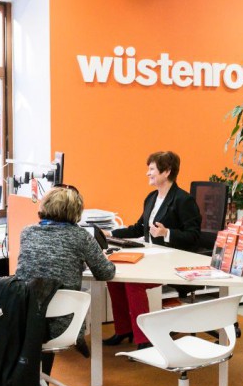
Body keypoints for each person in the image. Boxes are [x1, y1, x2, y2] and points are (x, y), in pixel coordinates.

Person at [104, 151, 202, 349]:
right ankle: (124, 329)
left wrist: (167, 233)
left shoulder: (183, 200)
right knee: (114, 278)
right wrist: (110, 233)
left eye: (151, 169)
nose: (147, 173)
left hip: (173, 261)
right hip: (151, 256)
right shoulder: (151, 198)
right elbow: (138, 228)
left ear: (166, 172)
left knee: (133, 283)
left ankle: (144, 339)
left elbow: (194, 236)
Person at [15, 184, 116, 357]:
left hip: (23, 320)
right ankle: (78, 339)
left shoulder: (27, 232)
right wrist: (104, 259)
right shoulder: (81, 236)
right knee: (79, 293)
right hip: (62, 323)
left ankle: (37, 373)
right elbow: (106, 273)